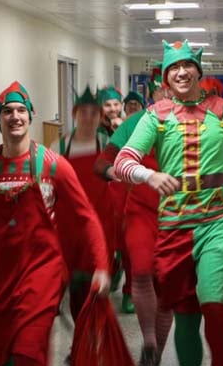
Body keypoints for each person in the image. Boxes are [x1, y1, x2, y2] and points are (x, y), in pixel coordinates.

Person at [114, 40, 223, 366]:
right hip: (175, 224)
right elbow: (124, 161)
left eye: (187, 65)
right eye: (173, 68)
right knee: (186, 311)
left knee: (214, 301)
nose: (181, 72)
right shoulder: (155, 116)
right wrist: (148, 176)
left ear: (198, 70)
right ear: (166, 76)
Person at [0, 81, 110, 366]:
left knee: (28, 353)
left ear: (30, 116)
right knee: (1, 356)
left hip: (41, 277)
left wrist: (101, 265)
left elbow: (86, 216)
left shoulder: (52, 164)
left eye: (21, 111)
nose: (15, 116)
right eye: (8, 111)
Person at [95, 73, 172, 365]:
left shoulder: (192, 123)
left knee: (167, 286)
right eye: (161, 91)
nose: (166, 96)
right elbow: (103, 162)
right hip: (140, 210)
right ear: (153, 94)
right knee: (140, 271)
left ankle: (156, 352)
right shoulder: (134, 123)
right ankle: (149, 341)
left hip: (179, 213)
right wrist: (119, 172)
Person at [55, 85, 116, 322]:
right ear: (74, 114)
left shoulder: (107, 145)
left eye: (93, 113)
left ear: (100, 117)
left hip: (102, 224)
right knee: (77, 287)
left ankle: (91, 343)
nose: (88, 118)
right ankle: (81, 343)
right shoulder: (58, 148)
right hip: (70, 227)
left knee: (98, 285)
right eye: (84, 112)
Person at [97, 85, 135, 313]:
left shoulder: (130, 127)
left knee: (129, 244)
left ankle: (130, 292)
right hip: (101, 194)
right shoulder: (92, 132)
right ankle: (114, 265)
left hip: (126, 193)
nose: (112, 109)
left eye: (115, 105)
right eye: (107, 105)